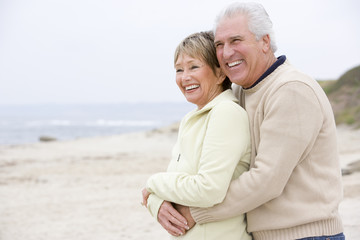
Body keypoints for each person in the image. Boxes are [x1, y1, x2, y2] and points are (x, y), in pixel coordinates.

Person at [155, 2, 345, 240]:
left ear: (265, 42)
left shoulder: (291, 90)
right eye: (219, 45)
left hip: (304, 235)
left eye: (236, 41)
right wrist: (157, 198)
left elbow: (265, 181)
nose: (225, 53)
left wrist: (195, 212)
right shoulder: (241, 92)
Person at [141, 31, 252, 240]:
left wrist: (152, 183)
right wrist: (155, 202)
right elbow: (176, 184)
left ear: (221, 74)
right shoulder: (191, 119)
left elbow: (208, 189)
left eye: (194, 67)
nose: (184, 77)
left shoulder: (226, 112)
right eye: (179, 70)